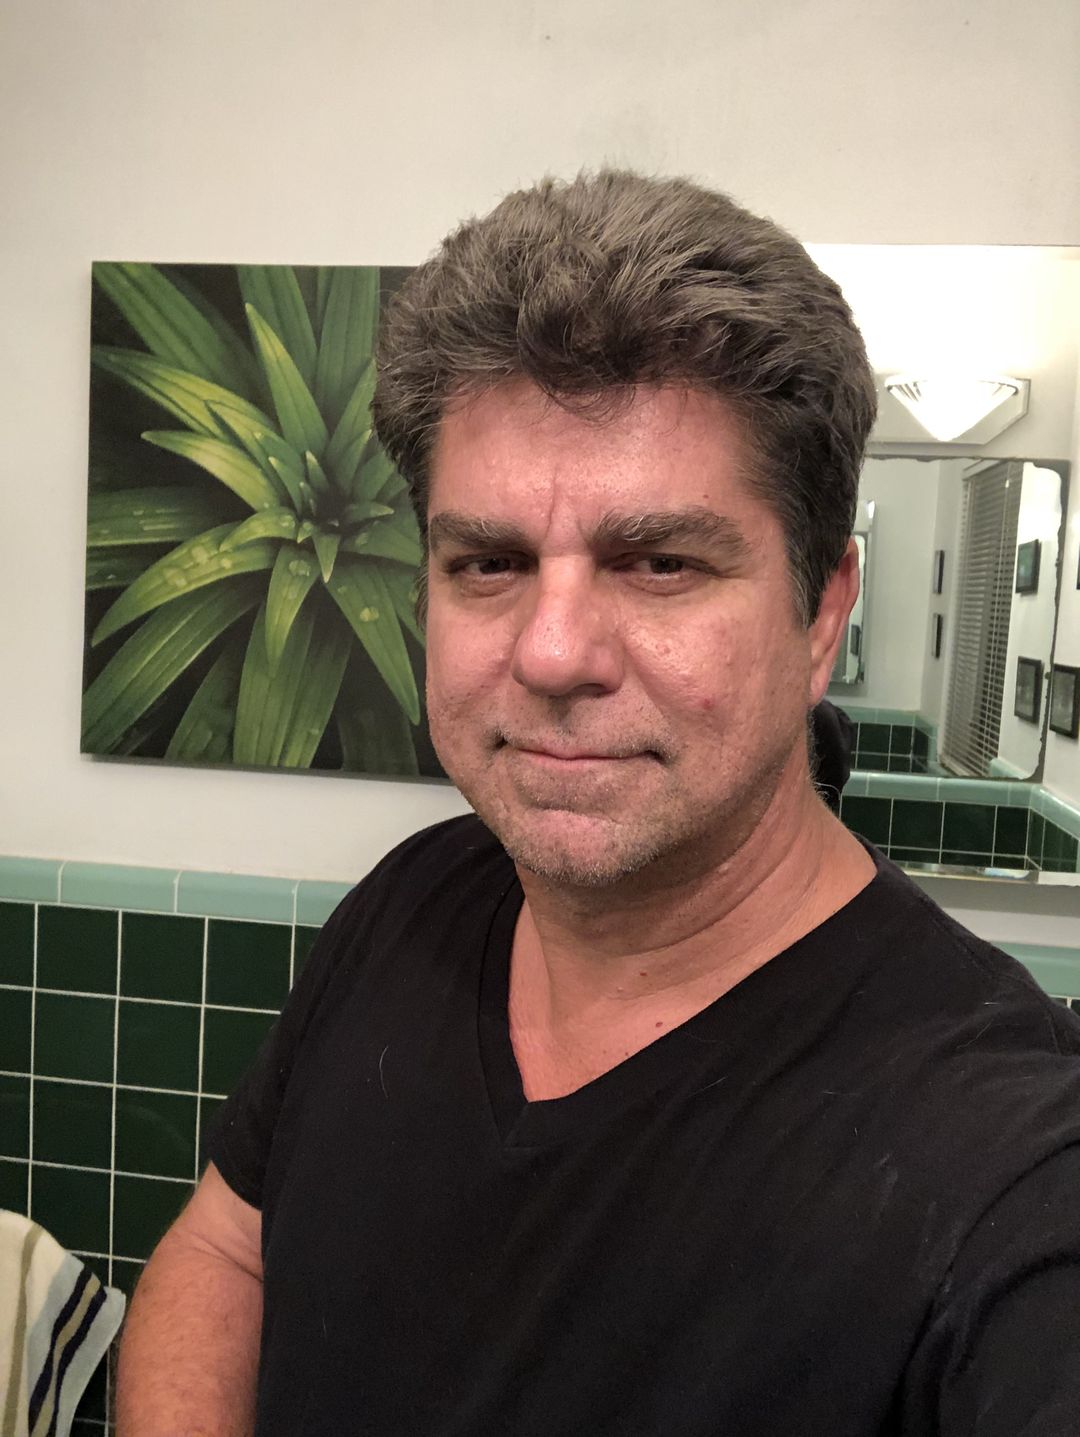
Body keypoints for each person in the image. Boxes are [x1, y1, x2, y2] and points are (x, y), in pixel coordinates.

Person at [116, 172, 1080, 1436]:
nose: (554, 652)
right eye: (489, 563)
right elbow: (224, 1252)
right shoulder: (413, 900)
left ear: (822, 614)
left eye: (660, 562)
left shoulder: (1009, 1164)